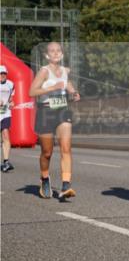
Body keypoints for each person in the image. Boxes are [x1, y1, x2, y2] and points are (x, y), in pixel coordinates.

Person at [28, 42, 80, 199]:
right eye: (52, 51)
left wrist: (74, 92)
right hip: (46, 112)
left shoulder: (65, 70)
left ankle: (65, 185)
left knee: (66, 148)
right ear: (47, 55)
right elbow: (32, 91)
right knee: (47, 152)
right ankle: (44, 178)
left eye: (58, 50)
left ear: (62, 54)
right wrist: (52, 88)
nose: (56, 53)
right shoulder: (44, 71)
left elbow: (67, 83)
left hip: (63, 110)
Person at [1, 65, 15, 172]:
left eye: (4, 73)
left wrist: (11, 102)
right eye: (1, 74)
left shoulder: (11, 84)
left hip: (5, 113)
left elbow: (11, 97)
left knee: (6, 134)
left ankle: (6, 161)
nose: (2, 76)